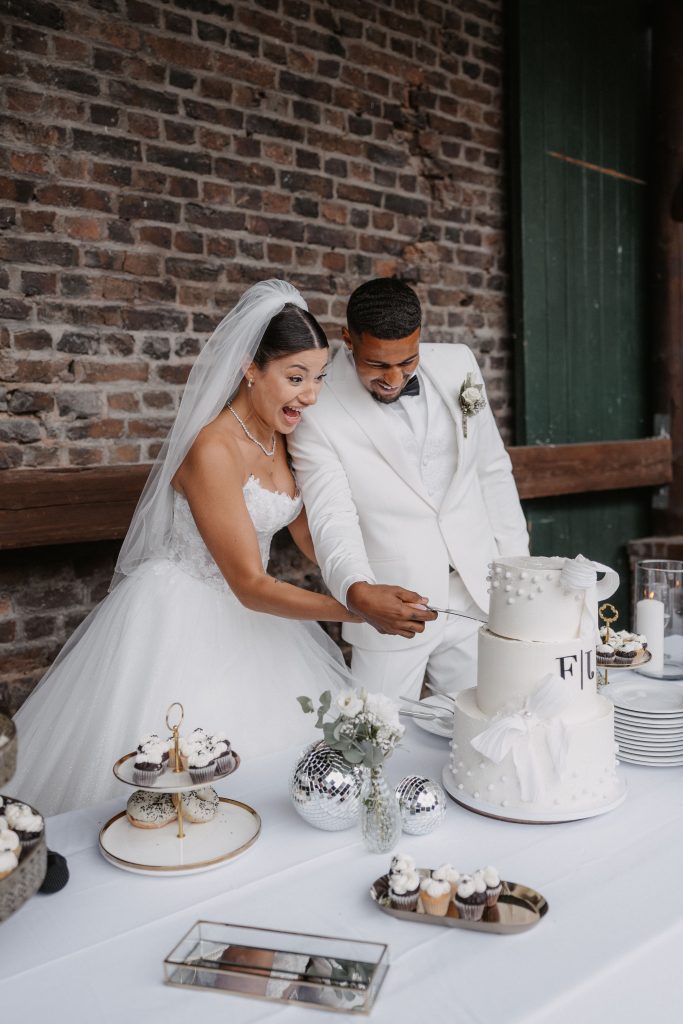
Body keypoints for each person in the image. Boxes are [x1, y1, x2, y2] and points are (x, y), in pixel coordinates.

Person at [13, 280, 357, 816]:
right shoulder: (212, 448)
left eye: (318, 378)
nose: (310, 396)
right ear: (249, 368)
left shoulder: (283, 436)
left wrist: (363, 580)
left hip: (258, 618)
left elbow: (309, 536)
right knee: (180, 782)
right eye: (296, 378)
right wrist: (357, 610)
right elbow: (249, 585)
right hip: (186, 615)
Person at [288, 277, 530, 700]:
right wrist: (357, 589)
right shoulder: (316, 407)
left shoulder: (458, 364)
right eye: (378, 365)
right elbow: (331, 514)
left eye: (407, 361)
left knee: (482, 724)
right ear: (348, 339)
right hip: (392, 606)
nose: (395, 378)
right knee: (374, 732)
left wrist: (517, 569)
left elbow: (491, 469)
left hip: (477, 592)